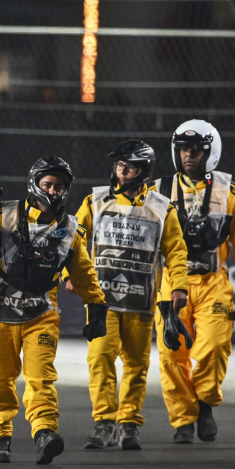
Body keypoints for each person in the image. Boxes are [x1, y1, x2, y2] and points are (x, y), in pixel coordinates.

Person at [0, 157, 108, 465]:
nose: (53, 190)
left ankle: (44, 433)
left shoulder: (70, 229)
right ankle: (0, 438)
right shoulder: (4, 214)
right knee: (0, 378)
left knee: (41, 378)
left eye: (59, 186)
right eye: (48, 184)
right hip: (1, 315)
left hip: (41, 316)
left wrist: (96, 307)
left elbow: (84, 274)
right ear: (34, 184)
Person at [77, 140, 188, 451]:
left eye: (129, 167)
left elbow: (176, 251)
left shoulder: (162, 207)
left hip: (141, 302)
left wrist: (179, 285)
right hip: (102, 302)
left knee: (137, 364)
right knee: (100, 357)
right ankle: (105, 423)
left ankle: (129, 425)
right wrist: (68, 275)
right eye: (119, 166)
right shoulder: (94, 201)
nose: (122, 172)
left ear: (144, 172)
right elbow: (71, 240)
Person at [153, 120, 235, 444]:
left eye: (196, 150)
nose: (189, 155)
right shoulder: (157, 192)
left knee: (212, 346)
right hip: (172, 281)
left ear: (210, 153)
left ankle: (205, 402)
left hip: (213, 281)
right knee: (173, 355)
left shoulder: (232, 194)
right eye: (184, 149)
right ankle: (182, 420)